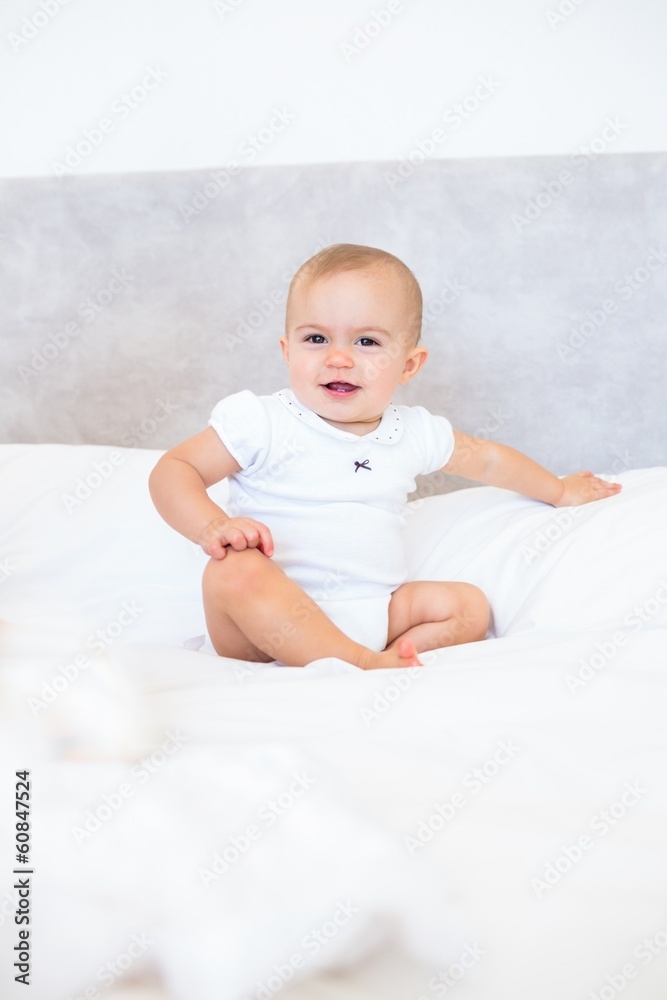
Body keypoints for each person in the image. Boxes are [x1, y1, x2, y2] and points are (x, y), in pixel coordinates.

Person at [149, 244, 621, 670]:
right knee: (234, 569)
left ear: (408, 364)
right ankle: (361, 664)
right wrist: (212, 526)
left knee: (469, 607)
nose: (338, 358)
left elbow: (490, 461)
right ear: (287, 350)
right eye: (316, 339)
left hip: (371, 611)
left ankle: (381, 655)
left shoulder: (411, 432)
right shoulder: (263, 421)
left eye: (367, 342)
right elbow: (175, 469)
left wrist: (559, 491)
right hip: (260, 627)